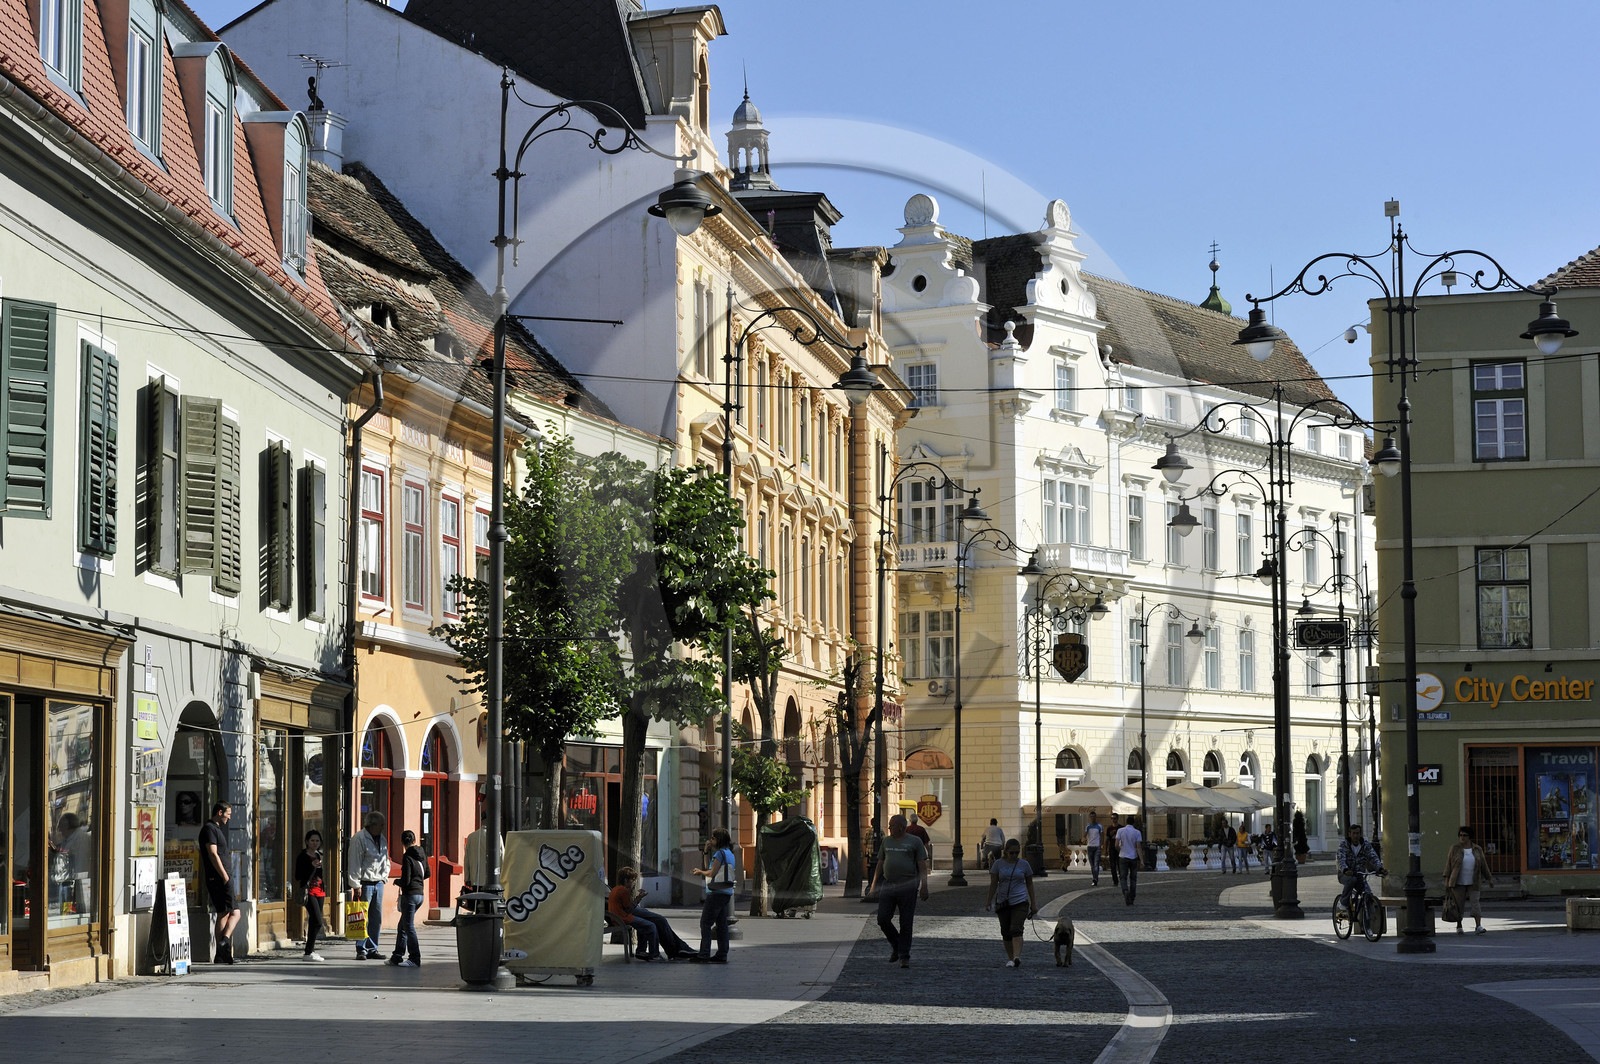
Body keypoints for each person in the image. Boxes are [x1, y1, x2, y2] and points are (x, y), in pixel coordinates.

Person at [868, 813, 929, 968]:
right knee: (882, 919)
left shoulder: (914, 841)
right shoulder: (886, 841)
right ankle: (896, 945)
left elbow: (922, 864)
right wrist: (874, 886)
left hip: (908, 886)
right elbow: (880, 863)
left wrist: (924, 886)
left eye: (892, 825)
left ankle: (904, 956)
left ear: (901, 827)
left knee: (906, 922)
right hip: (888, 885)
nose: (889, 828)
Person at [984, 838, 1036, 967]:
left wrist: (1033, 904)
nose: (1014, 855)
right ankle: (1011, 958)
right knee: (1005, 931)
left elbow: (1030, 884)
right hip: (1003, 902)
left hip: (1020, 901)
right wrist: (988, 901)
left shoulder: (1024, 865)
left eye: (1016, 853)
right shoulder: (998, 864)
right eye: (1011, 852)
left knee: (1016, 928)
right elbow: (993, 884)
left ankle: (1017, 956)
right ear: (1005, 851)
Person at [199, 801, 241, 963]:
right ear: (219, 812)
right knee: (231, 912)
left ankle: (221, 952)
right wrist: (224, 876)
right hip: (218, 877)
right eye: (228, 814)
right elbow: (213, 854)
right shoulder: (209, 829)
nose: (229, 818)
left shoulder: (216, 829)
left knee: (226, 912)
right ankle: (224, 942)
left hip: (222, 876)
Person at [346, 811, 390, 960]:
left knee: (376, 917)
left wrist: (385, 876)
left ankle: (372, 947)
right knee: (361, 916)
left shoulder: (382, 838)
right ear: (372, 825)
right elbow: (354, 862)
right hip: (365, 883)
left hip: (378, 882)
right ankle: (361, 948)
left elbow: (385, 858)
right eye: (381, 825)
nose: (383, 827)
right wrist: (355, 884)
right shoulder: (359, 838)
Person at [691, 827, 736, 963]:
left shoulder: (719, 854)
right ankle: (722, 954)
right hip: (726, 892)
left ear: (718, 840)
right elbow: (708, 868)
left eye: (713, 838)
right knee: (722, 925)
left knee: (705, 923)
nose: (710, 840)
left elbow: (711, 873)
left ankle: (704, 954)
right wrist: (705, 852)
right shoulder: (729, 853)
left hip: (715, 892)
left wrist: (699, 872)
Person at [1445, 825, 1495, 935]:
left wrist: (1489, 878)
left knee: (1475, 903)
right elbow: (1448, 865)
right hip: (1458, 882)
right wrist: (1447, 881)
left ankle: (1478, 926)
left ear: (1469, 837)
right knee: (1459, 905)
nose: (1462, 837)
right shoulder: (1454, 848)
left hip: (1474, 881)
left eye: (1465, 835)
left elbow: (1483, 865)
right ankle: (1459, 926)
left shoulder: (1477, 849)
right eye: (1460, 835)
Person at [389, 829, 428, 967]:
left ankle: (414, 957)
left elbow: (405, 880)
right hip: (420, 895)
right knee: (403, 925)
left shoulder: (407, 857)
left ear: (402, 843)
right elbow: (427, 873)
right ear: (415, 840)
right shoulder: (422, 854)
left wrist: (397, 882)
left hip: (410, 895)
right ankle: (397, 956)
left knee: (409, 927)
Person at [294, 829, 328, 962]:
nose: (315, 843)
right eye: (312, 840)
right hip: (309, 892)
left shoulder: (320, 855)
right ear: (307, 842)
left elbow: (322, 874)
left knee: (314, 921)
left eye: (317, 841)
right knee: (318, 921)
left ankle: (310, 951)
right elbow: (298, 876)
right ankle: (308, 952)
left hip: (320, 891)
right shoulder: (302, 856)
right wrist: (311, 866)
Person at [1336, 823, 1384, 911]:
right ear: (1349, 834)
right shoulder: (1344, 845)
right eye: (1353, 833)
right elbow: (1340, 859)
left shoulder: (1365, 845)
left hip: (1359, 874)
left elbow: (1373, 857)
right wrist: (1345, 869)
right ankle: (1343, 902)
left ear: (1360, 834)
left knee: (1367, 893)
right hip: (1345, 874)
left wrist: (1380, 868)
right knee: (1351, 880)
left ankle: (1368, 915)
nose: (1356, 836)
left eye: (1357, 833)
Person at [1115, 815, 1142, 905]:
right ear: (1133, 823)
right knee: (1133, 878)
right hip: (1133, 857)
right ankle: (1132, 896)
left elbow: (1116, 845)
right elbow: (1138, 847)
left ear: (1126, 822)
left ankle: (1125, 890)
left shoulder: (1120, 831)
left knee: (1123, 877)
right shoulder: (1137, 832)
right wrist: (1141, 860)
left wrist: (1120, 851)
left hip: (1123, 856)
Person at [862, 816, 882, 899]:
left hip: (869, 853)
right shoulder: (880, 831)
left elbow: (864, 841)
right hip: (877, 854)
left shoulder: (868, 831)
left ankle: (871, 884)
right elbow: (883, 840)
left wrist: (867, 847)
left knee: (870, 868)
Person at [1083, 812, 1104, 886]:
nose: (1092, 818)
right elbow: (1084, 835)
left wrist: (1100, 845)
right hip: (1090, 847)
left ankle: (1095, 879)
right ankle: (1094, 877)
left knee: (1096, 864)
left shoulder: (1099, 826)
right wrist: (1083, 839)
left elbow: (1102, 836)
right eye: (1091, 816)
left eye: (1094, 816)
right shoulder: (1088, 826)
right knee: (1092, 865)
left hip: (1097, 847)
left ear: (1096, 817)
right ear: (1089, 817)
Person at [1107, 813, 1122, 886]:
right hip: (1112, 848)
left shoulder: (1121, 828)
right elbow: (1107, 839)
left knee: (1120, 865)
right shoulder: (1109, 828)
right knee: (1112, 866)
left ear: (1117, 818)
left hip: (1119, 848)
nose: (1113, 820)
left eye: (1114, 818)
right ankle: (1115, 881)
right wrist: (1106, 849)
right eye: (1112, 818)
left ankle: (1122, 878)